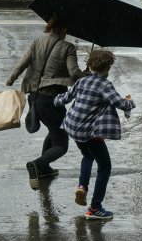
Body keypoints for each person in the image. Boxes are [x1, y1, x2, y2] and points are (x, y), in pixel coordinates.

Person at [6, 15, 86, 190]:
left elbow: (21, 64)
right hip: (51, 100)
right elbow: (74, 72)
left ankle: (45, 169)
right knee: (61, 145)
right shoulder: (67, 47)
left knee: (54, 130)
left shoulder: (36, 42)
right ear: (64, 29)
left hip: (34, 98)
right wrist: (86, 75)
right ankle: (37, 163)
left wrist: (10, 80)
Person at [53, 49, 136, 220]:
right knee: (105, 167)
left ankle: (82, 186)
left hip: (73, 127)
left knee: (87, 156)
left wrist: (54, 100)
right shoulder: (105, 85)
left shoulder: (82, 81)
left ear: (89, 65)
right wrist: (130, 102)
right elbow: (118, 102)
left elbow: (66, 98)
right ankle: (95, 208)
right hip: (90, 131)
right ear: (108, 68)